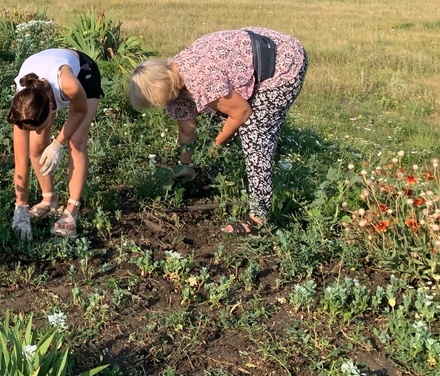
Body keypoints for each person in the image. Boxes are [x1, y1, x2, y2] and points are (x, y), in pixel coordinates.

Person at [129, 27, 308, 234]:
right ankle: (212, 175)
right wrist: (185, 165)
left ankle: (259, 216)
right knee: (217, 121)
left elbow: (241, 112)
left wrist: (216, 144)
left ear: (163, 89)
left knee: (255, 134)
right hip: (255, 55)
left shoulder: (201, 79)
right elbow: (187, 131)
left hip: (284, 62)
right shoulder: (172, 78)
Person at [8, 48, 104, 240]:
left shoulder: (69, 85)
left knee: (76, 141)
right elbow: (20, 159)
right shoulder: (24, 101)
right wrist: (21, 205)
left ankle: (71, 210)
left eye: (38, 126)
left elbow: (79, 111)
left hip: (84, 73)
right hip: (44, 84)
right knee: (36, 146)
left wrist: (58, 143)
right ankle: (49, 199)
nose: (35, 131)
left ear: (52, 108)